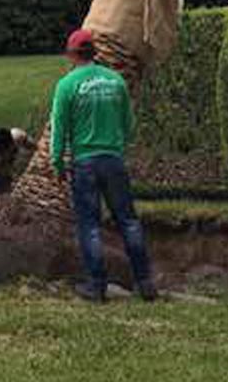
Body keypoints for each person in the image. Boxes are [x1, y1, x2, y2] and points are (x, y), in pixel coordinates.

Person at [50, 28, 155, 303]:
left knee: (89, 225)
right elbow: (128, 124)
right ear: (94, 53)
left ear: (71, 54)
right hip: (113, 160)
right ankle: (145, 283)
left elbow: (59, 130)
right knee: (129, 221)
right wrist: (117, 145)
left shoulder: (67, 85)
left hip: (84, 163)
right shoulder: (116, 81)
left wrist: (57, 164)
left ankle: (96, 286)